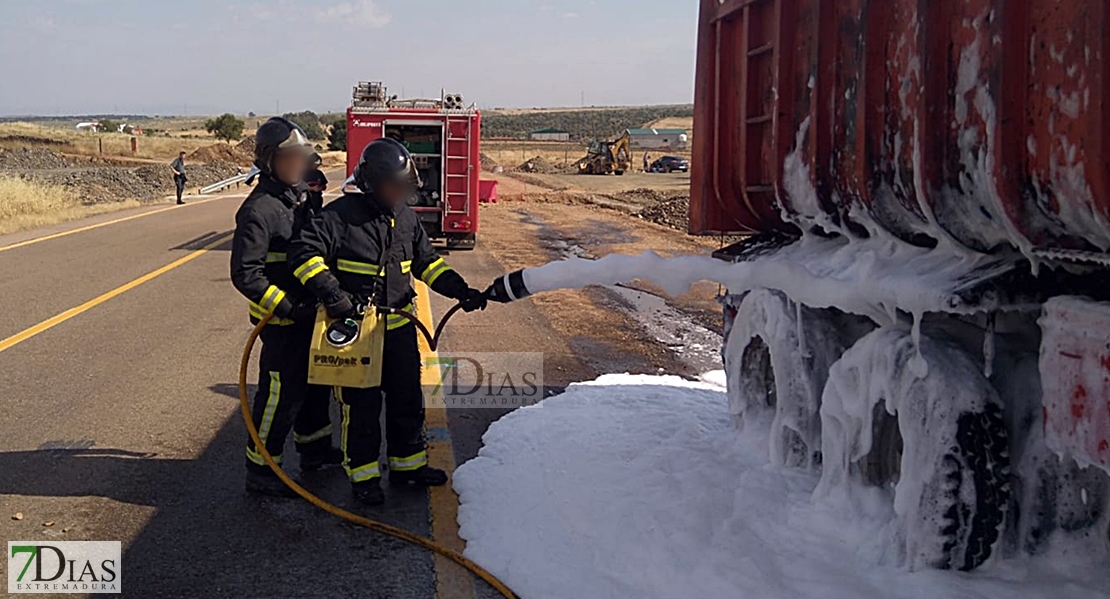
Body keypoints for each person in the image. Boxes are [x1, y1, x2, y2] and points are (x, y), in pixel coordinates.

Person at [288, 138, 487, 506]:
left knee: (407, 401)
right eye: (391, 186)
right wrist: (334, 296)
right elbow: (302, 256)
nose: (398, 193)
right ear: (370, 182)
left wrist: (460, 290)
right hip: (357, 332)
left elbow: (427, 263)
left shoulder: (406, 217)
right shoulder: (338, 217)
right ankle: (363, 477)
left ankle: (407, 468)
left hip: (397, 329)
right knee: (360, 408)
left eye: (403, 187)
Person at [230, 117, 343, 497]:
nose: (297, 164)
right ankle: (262, 469)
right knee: (280, 393)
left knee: (315, 388)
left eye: (301, 158)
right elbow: (247, 275)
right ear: (268, 161)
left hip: (309, 316)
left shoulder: (296, 199)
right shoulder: (258, 210)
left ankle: (315, 450)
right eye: (289, 158)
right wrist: (291, 309)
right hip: (281, 322)